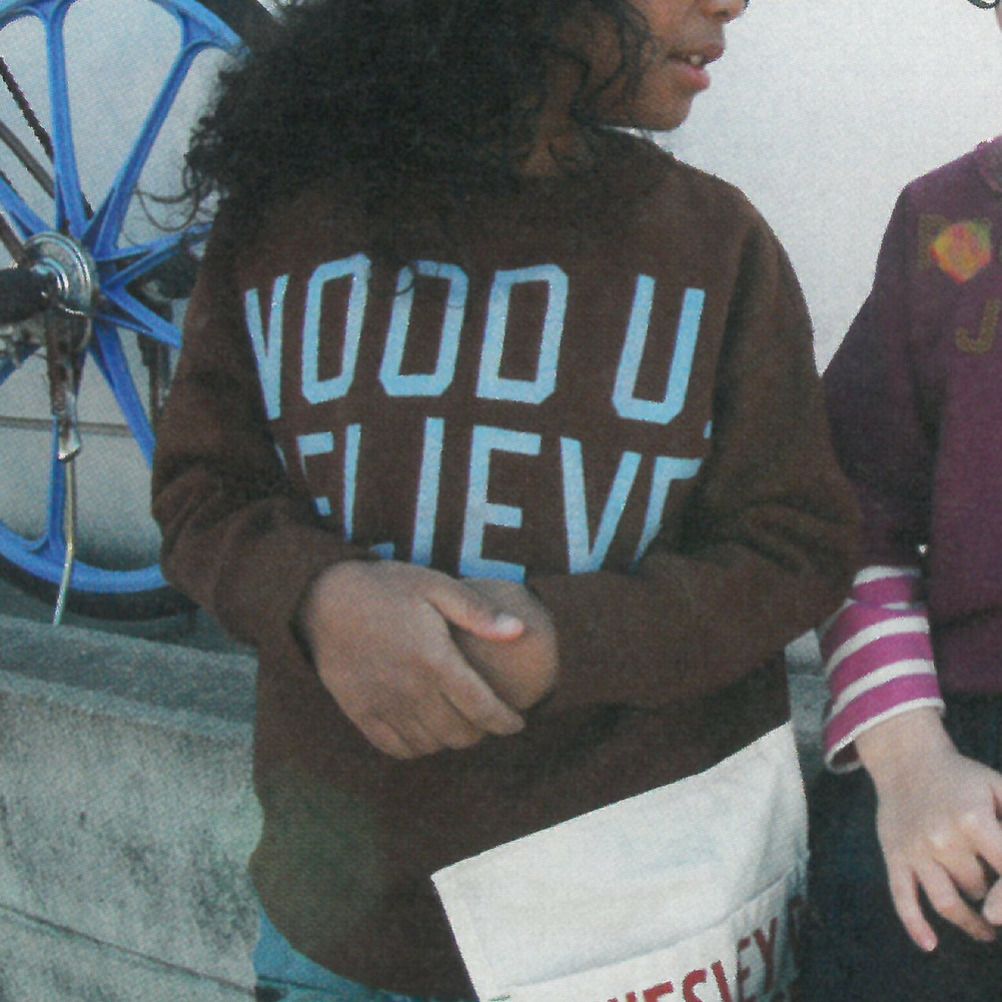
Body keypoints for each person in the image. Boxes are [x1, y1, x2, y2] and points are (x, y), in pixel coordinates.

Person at [152, 0, 857, 999]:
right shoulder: (285, 221)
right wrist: (318, 598)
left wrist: (563, 641)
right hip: (349, 930)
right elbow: (201, 488)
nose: (735, 0)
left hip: (646, 929)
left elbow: (797, 545)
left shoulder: (715, 243)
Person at [800, 2, 1002, 998]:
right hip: (961, 725)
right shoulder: (948, 221)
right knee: (900, 932)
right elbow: (850, 507)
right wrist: (910, 757)